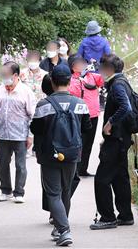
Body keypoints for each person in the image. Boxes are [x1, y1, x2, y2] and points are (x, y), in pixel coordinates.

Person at [31, 64, 91, 246]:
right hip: (72, 154)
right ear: (70, 80)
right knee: (65, 191)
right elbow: (87, 127)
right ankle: (59, 227)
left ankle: (64, 231)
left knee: (53, 193)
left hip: (50, 155)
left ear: (53, 82)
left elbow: (35, 129)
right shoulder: (81, 104)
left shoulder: (44, 105)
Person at [90, 54, 135, 230]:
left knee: (101, 179)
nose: (100, 72)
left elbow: (126, 107)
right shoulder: (123, 82)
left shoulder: (117, 86)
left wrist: (110, 123)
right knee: (119, 178)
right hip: (122, 139)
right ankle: (125, 216)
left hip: (116, 140)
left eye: (101, 68)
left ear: (109, 69)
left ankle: (107, 217)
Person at [0, 61, 35, 203]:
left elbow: (32, 115)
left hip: (20, 135)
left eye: (6, 74)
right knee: (3, 164)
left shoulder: (26, 91)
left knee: (20, 165)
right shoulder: (0, 90)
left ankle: (19, 192)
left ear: (15, 75)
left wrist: (30, 136)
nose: (4, 77)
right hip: (3, 134)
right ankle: (5, 190)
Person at [67, 55, 103, 177]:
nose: (82, 65)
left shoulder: (91, 76)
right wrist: (80, 79)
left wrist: (99, 68)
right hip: (79, 115)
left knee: (89, 143)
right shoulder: (71, 80)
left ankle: (83, 169)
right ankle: (75, 169)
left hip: (93, 114)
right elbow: (73, 92)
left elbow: (103, 80)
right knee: (79, 143)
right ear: (72, 66)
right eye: (78, 63)